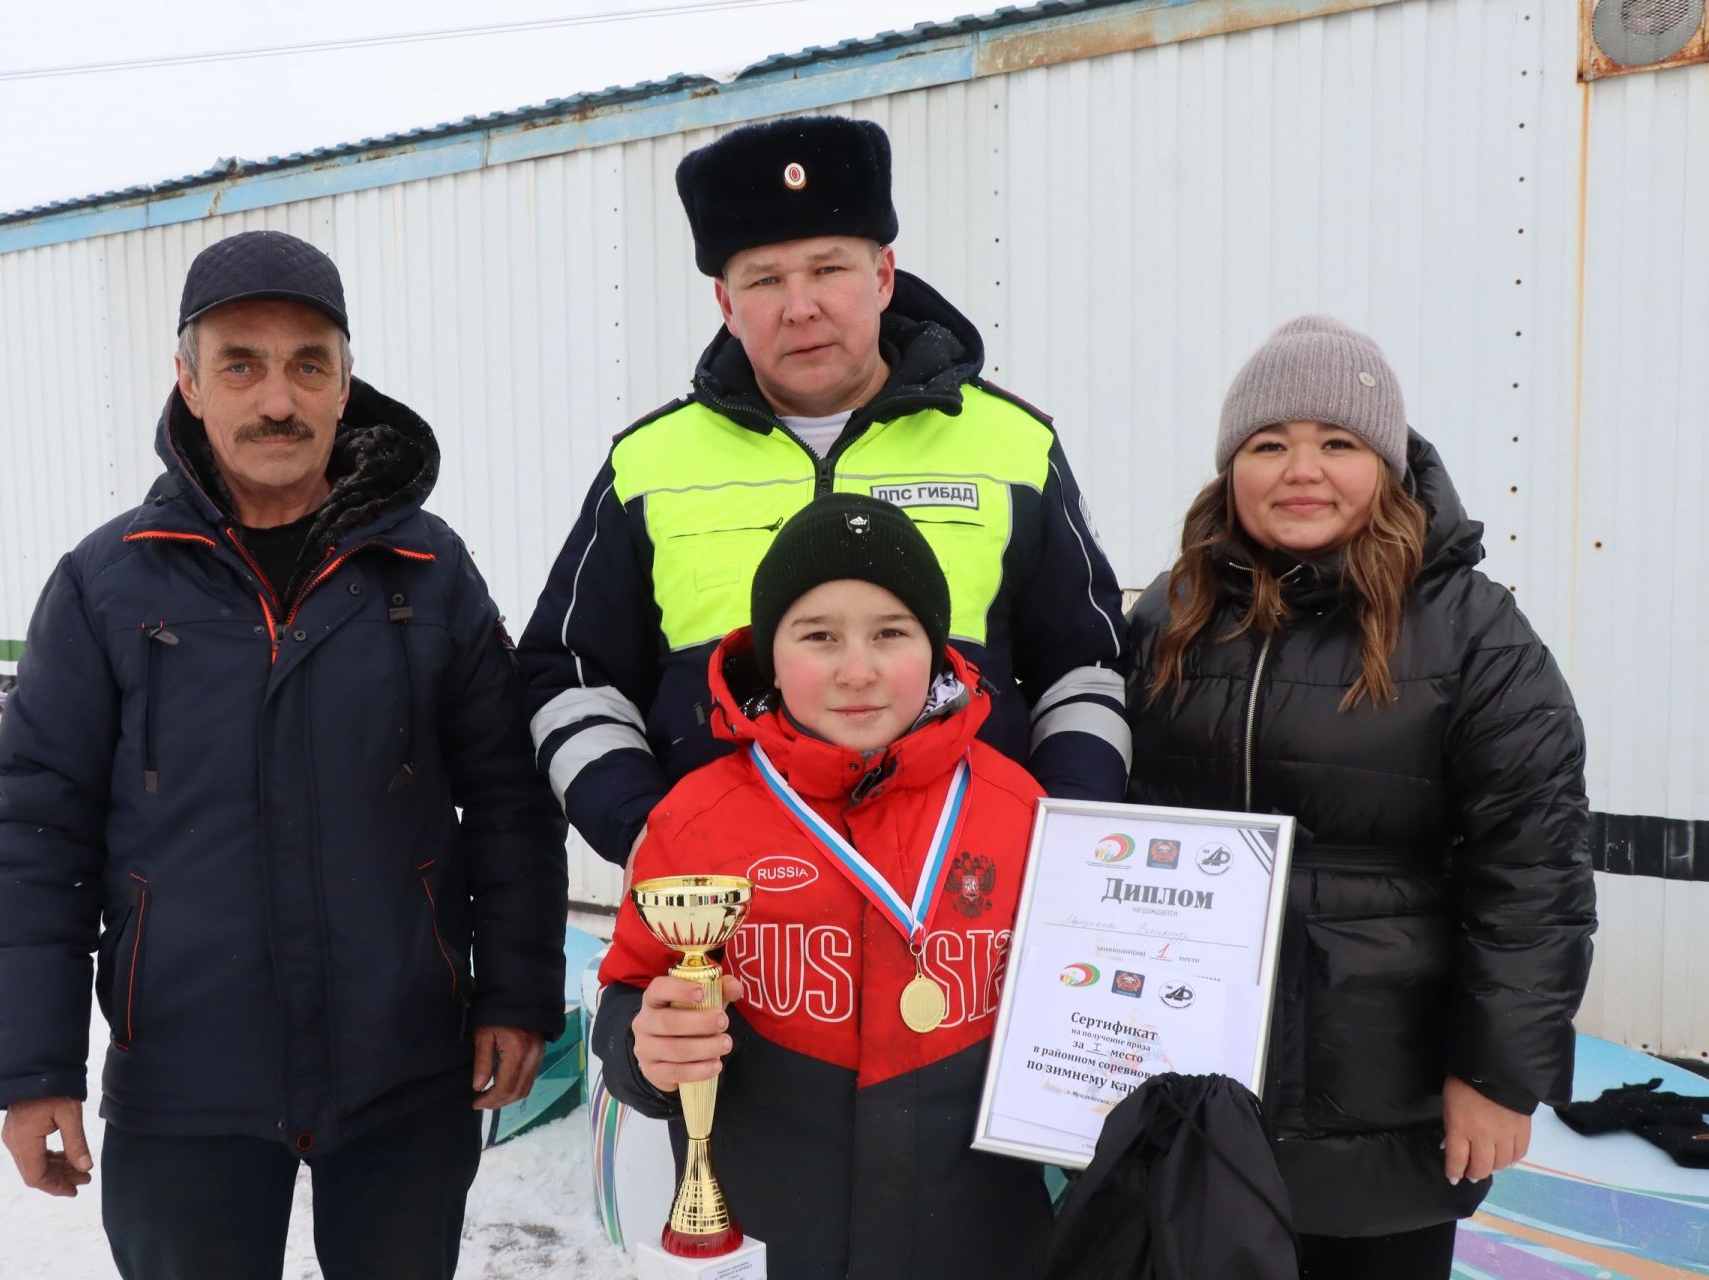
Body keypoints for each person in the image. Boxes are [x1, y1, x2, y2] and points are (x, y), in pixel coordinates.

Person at [0, 229, 568, 1280]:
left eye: (308, 364)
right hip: (184, 1075)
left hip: (405, 1066)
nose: (277, 399)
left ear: (346, 384)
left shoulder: (428, 573)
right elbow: (38, 834)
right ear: (189, 383)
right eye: (240, 363)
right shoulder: (109, 585)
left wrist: (516, 993)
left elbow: (509, 800)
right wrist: (33, 1063)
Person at [521, 114, 1129, 875]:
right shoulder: (647, 466)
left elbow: (1088, 668)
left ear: (882, 276)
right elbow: (572, 678)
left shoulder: (1014, 446)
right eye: (766, 280)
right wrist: (648, 834)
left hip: (971, 910)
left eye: (828, 269)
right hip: (732, 918)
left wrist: (1058, 837)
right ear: (725, 303)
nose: (799, 306)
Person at [1123, 316, 1597, 1278]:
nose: (1302, 470)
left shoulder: (1473, 633)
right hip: (1201, 1084)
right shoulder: (1169, 615)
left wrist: (1499, 1076)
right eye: (1269, 445)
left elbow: (1534, 871)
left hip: (1385, 1098)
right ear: (1230, 470)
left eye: (1337, 443)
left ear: (1386, 463)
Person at [595, 494, 1055, 1279]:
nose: (857, 670)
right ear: (770, 654)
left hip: (981, 1247)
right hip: (769, 1243)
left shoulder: (1021, 810)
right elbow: (629, 996)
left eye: (891, 634)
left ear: (937, 648)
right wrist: (647, 1049)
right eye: (818, 636)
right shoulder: (696, 818)